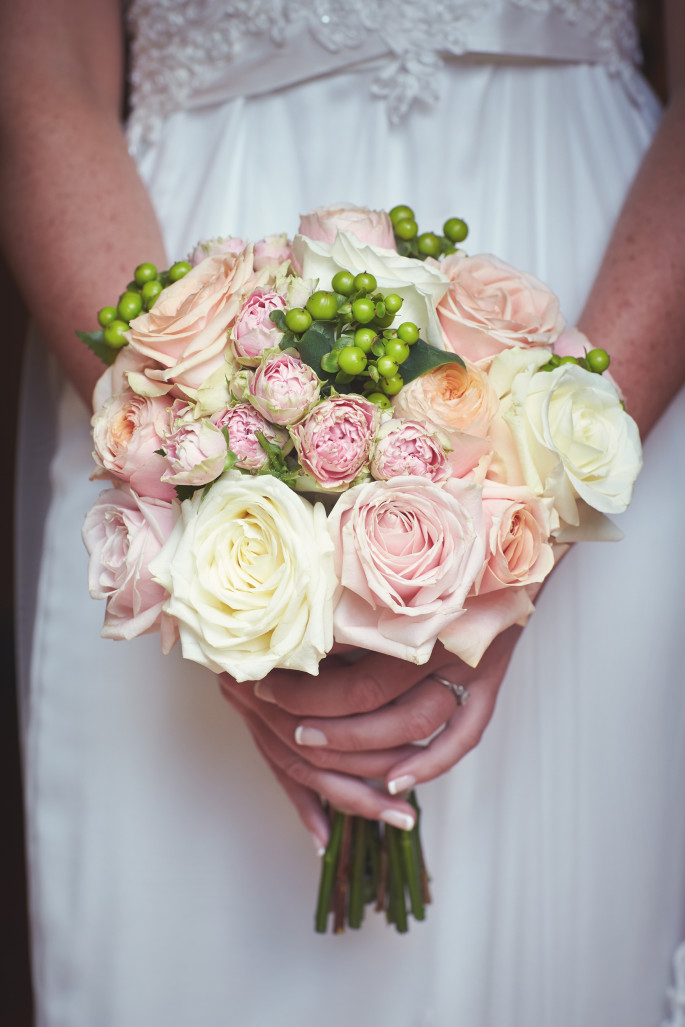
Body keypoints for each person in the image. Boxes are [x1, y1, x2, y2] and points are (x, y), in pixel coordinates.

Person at [2, 1, 684, 1024]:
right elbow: (36, 61)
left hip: (594, 297)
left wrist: (522, 519)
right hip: (172, 300)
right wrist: (207, 506)